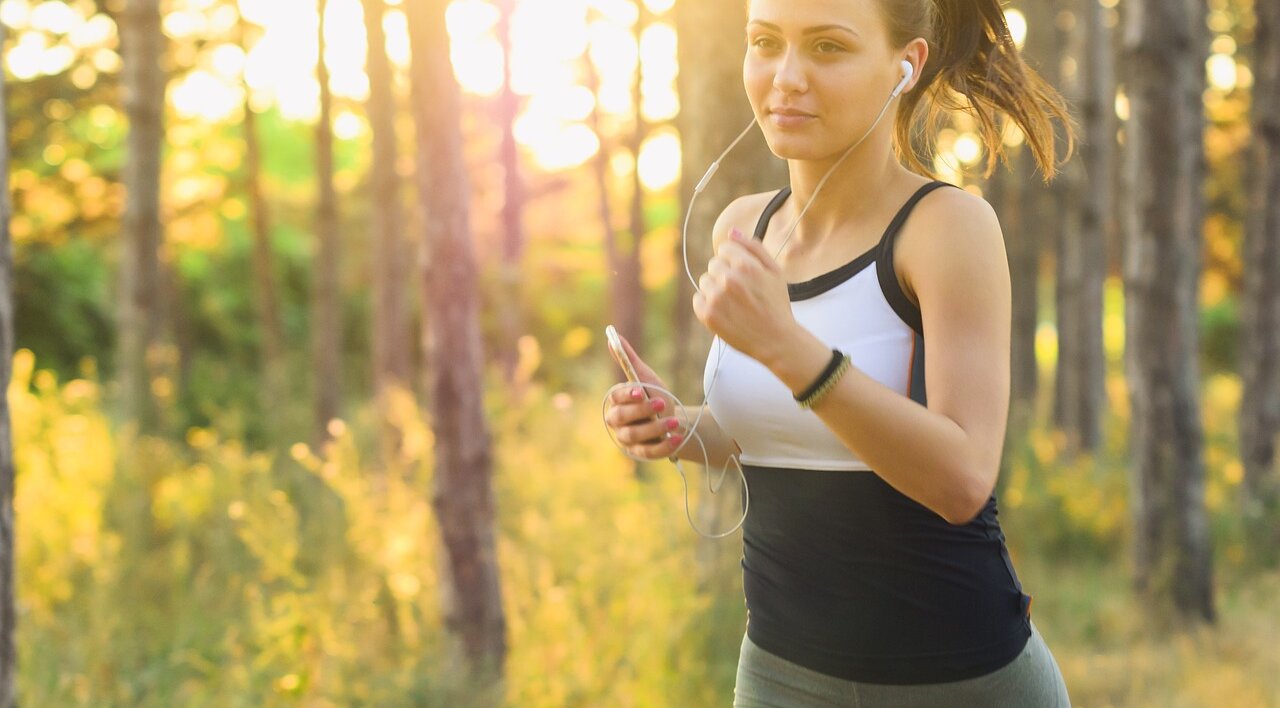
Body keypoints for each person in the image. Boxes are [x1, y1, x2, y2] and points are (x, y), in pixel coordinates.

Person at [603, 0, 1076, 704]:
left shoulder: (947, 229)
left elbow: (962, 480)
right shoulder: (743, 228)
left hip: (962, 678)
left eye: (827, 47)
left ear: (905, 65)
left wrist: (793, 352)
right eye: (765, 42)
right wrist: (679, 428)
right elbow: (776, 434)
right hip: (779, 672)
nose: (786, 77)